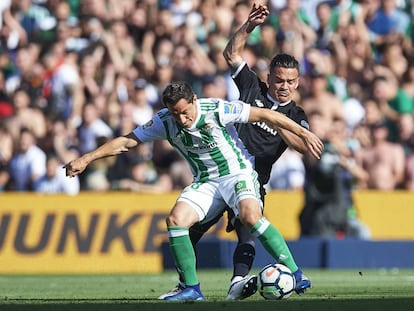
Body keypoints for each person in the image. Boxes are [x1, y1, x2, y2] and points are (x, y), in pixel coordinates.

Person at [65, 81, 323, 301]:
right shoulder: (165, 121)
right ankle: (190, 288)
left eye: (185, 112)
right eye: (175, 113)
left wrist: (303, 133)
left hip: (237, 173)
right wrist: (86, 159)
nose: (182, 119)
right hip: (206, 181)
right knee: (176, 220)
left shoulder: (216, 109)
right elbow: (126, 141)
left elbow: (267, 115)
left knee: (250, 217)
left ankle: (296, 273)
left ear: (194, 101)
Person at [160, 3, 315, 301]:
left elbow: (299, 146)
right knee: (191, 229)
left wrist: (273, 117)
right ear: (269, 77)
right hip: (220, 170)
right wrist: (248, 26)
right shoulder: (252, 88)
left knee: (248, 225)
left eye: (291, 82)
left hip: (252, 177)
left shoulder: (296, 114)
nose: (284, 86)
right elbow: (231, 54)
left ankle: (238, 280)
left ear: (298, 82)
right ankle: (188, 283)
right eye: (279, 80)